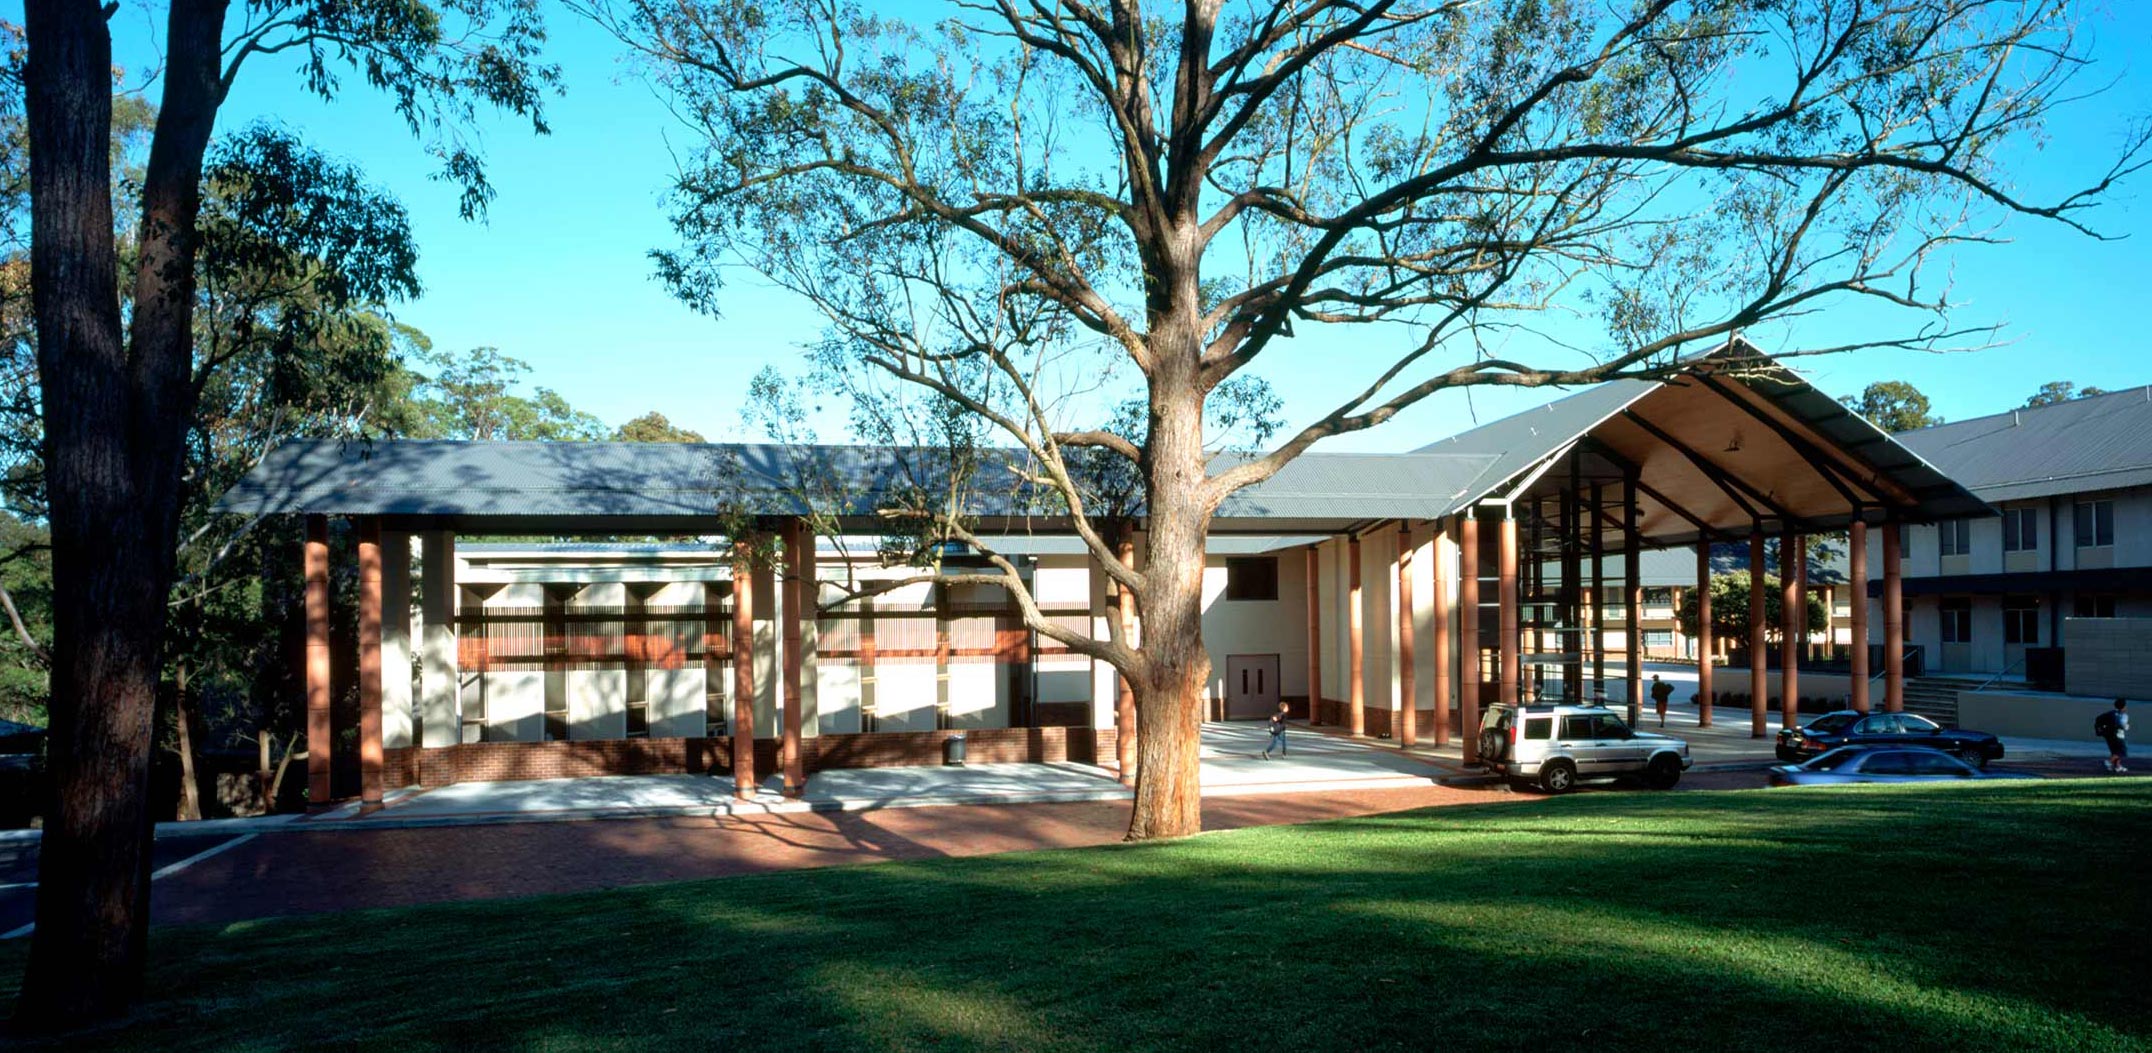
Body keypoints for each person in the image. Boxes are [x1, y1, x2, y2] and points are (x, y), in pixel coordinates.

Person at [2096, 698, 2129, 773]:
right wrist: (2125, 727)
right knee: (2122, 751)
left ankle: (2117, 766)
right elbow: (2119, 725)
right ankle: (2109, 762)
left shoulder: (2112, 713)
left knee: (2115, 751)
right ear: (2123, 707)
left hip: (2110, 736)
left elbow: (2099, 719)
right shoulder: (2118, 715)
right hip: (2116, 736)